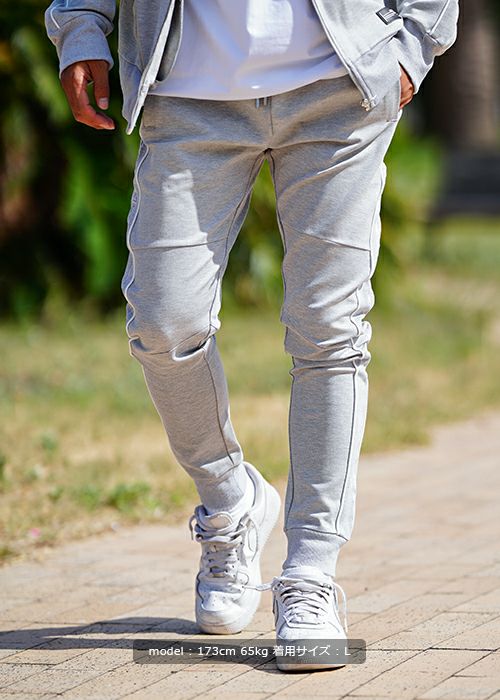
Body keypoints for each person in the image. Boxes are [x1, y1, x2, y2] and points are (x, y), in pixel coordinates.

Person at [45, 0, 459, 672]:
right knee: (162, 323)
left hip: (341, 85)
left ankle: (311, 575)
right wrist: (82, 23)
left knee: (330, 328)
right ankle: (231, 501)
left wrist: (413, 44)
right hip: (188, 89)